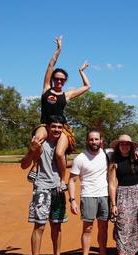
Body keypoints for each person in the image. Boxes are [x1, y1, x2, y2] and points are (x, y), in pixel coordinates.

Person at [28, 36, 90, 187]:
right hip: (45, 124)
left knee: (59, 154)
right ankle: (35, 166)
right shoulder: (46, 89)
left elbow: (87, 86)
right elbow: (50, 65)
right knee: (37, 141)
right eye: (57, 78)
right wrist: (58, 50)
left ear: (65, 81)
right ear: (53, 79)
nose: (59, 81)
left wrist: (81, 71)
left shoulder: (66, 95)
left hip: (61, 126)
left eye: (62, 79)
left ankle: (62, 180)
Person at [20, 116, 70, 255]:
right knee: (39, 225)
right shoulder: (40, 143)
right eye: (53, 126)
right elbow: (23, 165)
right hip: (42, 188)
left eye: (59, 127)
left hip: (58, 189)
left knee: (57, 224)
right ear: (47, 127)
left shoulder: (62, 144)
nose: (56, 130)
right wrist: (31, 149)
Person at [68, 129, 109, 255]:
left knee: (103, 228)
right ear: (87, 141)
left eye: (96, 139)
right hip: (88, 196)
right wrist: (72, 200)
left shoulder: (106, 154)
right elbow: (72, 180)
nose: (94, 142)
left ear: (101, 141)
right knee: (88, 228)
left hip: (104, 195)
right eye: (91, 139)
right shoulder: (80, 158)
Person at [108, 135, 138, 255]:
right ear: (118, 146)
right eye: (122, 144)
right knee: (122, 226)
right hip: (122, 194)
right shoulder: (114, 162)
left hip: (136, 193)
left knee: (135, 226)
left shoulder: (136, 159)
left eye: (127, 144)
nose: (124, 146)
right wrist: (113, 204)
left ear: (131, 146)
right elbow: (111, 184)